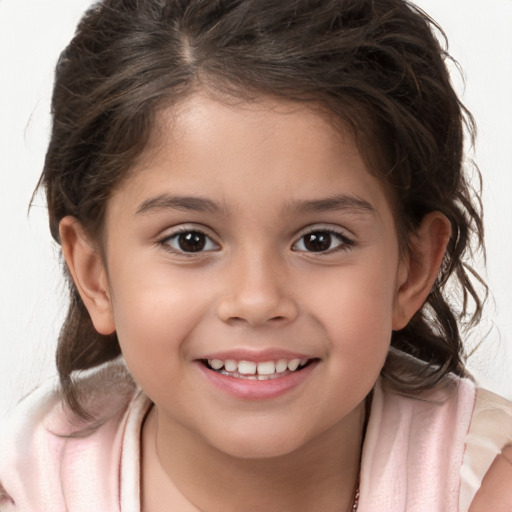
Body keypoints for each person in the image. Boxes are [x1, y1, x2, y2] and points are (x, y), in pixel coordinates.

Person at [0, 0, 511, 510]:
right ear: (96, 276)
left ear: (412, 268)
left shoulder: (487, 485)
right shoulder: (29, 489)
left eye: (319, 240)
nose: (257, 299)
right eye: (190, 240)